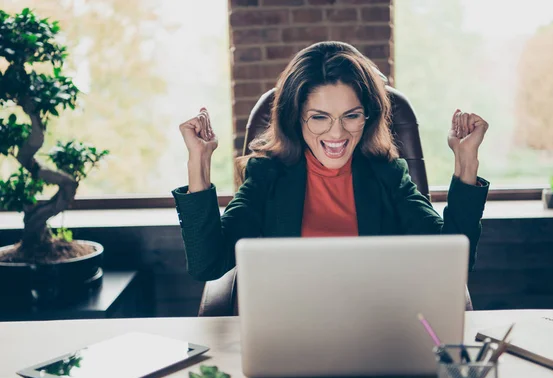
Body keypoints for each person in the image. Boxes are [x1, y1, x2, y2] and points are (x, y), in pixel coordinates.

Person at [172, 41, 489, 286]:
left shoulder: (387, 175)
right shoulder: (267, 175)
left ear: (368, 116)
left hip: (379, 330)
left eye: (351, 116)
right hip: (291, 334)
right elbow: (207, 265)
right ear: (296, 118)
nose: (337, 133)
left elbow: (453, 262)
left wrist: (466, 161)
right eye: (319, 118)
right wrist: (198, 161)